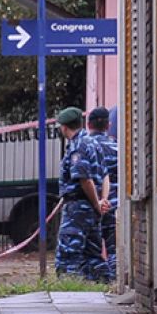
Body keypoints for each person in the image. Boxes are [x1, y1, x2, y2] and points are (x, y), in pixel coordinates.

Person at [54, 106, 110, 282]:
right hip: (91, 208)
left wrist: (96, 203)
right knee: (92, 252)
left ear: (64, 127)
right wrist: (102, 201)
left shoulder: (78, 146)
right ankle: (103, 284)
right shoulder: (94, 143)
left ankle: (68, 288)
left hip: (78, 207)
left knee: (68, 252)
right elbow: (105, 175)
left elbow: (84, 179)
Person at [88, 106, 118, 280]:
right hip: (113, 205)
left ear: (89, 124)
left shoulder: (85, 146)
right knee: (113, 246)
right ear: (108, 125)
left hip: (92, 205)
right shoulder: (117, 147)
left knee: (92, 247)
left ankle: (95, 279)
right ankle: (114, 278)